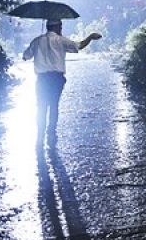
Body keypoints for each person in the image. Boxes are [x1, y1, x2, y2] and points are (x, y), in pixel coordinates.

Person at [21, 19, 102, 149]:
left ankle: (40, 135)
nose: (61, 29)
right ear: (57, 27)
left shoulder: (36, 41)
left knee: (41, 107)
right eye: (61, 27)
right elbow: (79, 46)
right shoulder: (61, 40)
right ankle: (51, 133)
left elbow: (25, 56)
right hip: (56, 79)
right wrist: (91, 37)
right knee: (54, 106)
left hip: (41, 79)